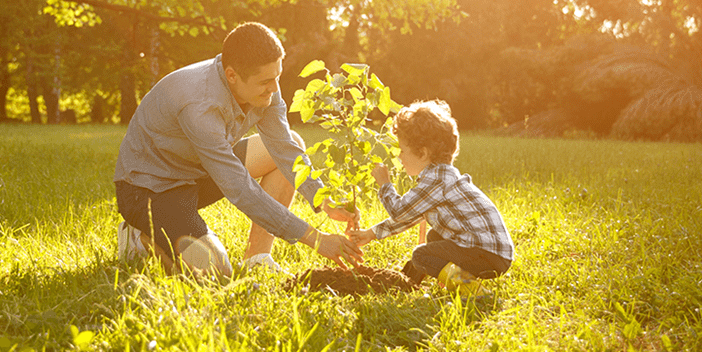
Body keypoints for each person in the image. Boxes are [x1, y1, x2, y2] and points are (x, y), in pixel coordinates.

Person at [113, 22, 362, 276]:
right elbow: (240, 189)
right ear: (232, 75)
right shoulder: (199, 105)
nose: (275, 89)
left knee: (295, 142)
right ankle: (139, 239)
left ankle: (257, 257)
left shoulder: (265, 90)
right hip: (150, 190)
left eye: (277, 76)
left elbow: (285, 149)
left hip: (197, 172)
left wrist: (325, 201)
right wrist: (316, 239)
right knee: (216, 271)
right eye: (266, 81)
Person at [348, 100, 514, 293]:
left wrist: (385, 185)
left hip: (487, 254)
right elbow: (410, 216)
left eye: (402, 151)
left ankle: (472, 290)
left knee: (421, 255)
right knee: (434, 236)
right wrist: (371, 234)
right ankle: (410, 282)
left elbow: (399, 212)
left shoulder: (436, 180)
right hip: (492, 253)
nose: (399, 157)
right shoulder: (441, 176)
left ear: (423, 153)